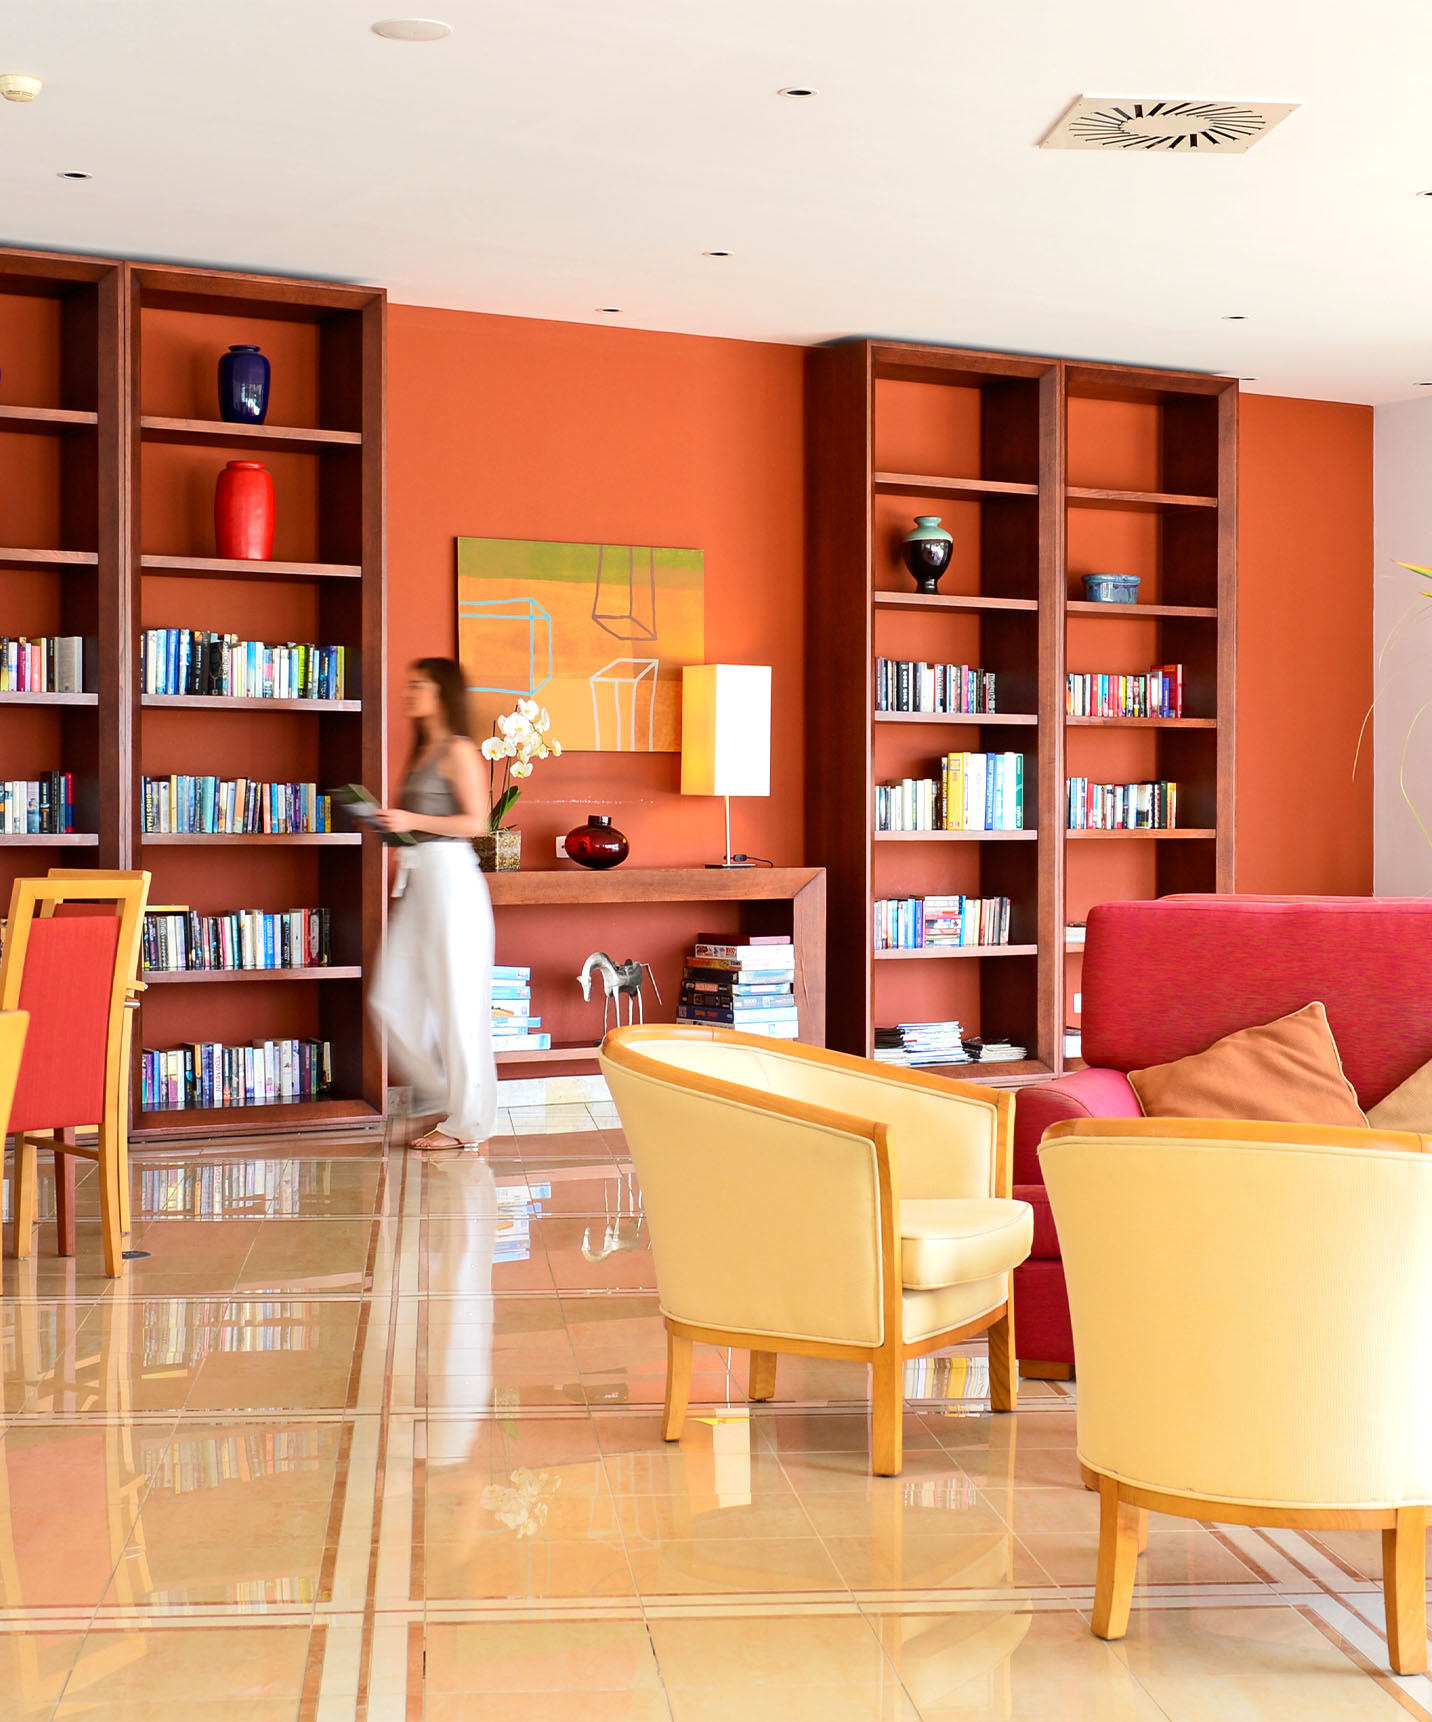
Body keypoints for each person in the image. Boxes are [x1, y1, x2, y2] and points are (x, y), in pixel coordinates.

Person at [369, 657, 496, 1150]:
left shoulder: (459, 750)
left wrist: (410, 816)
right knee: (390, 998)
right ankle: (448, 1094)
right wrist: (396, 826)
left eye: (418, 685)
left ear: (442, 693)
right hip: (420, 881)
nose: (409, 692)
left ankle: (467, 1123)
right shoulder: (425, 751)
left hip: (451, 884)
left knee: (458, 1006)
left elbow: (477, 823)